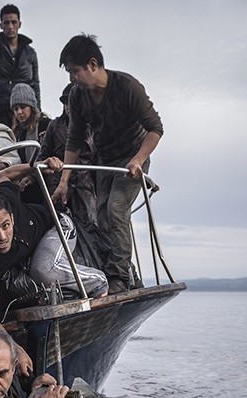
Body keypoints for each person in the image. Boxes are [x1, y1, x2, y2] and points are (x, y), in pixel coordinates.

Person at [0, 158, 110, 375]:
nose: (1, 236)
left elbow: (2, 176)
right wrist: (14, 349)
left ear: (11, 218)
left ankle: (98, 281)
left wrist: (37, 165)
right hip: (30, 252)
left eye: (5, 226)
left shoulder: (7, 201)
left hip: (57, 226)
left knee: (43, 270)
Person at [53, 34, 164, 294]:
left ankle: (119, 279)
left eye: (74, 71)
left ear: (93, 64)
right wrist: (64, 181)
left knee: (116, 210)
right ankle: (123, 273)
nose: (72, 79)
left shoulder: (126, 86)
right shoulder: (78, 97)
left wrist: (139, 159)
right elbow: (74, 140)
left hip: (132, 159)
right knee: (101, 218)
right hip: (106, 161)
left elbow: (155, 129)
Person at [39, 82, 97, 229]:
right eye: (66, 103)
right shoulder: (54, 126)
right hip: (57, 184)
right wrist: (31, 176)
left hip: (84, 186)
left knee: (89, 229)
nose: (69, 107)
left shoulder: (96, 128)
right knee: (54, 225)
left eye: (72, 103)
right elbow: (43, 155)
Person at [0, 4, 40, 127]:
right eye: (6, 23)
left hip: (26, 112)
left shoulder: (30, 53)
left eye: (14, 22)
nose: (10, 26)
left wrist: (38, 111)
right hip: (1, 111)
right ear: (1, 25)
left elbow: (35, 85)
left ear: (19, 24)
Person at [9, 83, 51, 204]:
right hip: (26, 189)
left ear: (31, 106)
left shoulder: (45, 125)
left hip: (46, 184)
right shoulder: (18, 133)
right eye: (16, 109)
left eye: (23, 107)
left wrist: (32, 177)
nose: (19, 112)